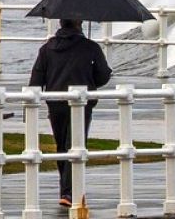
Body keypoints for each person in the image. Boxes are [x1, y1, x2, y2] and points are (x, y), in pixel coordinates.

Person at [28, 19, 112, 208]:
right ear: (79, 23)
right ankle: (69, 191)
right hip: (81, 103)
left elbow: (36, 78)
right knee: (75, 144)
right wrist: (89, 77)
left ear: (60, 23)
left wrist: (31, 104)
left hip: (55, 102)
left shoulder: (47, 48)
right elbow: (103, 75)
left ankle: (66, 190)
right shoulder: (90, 47)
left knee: (61, 146)